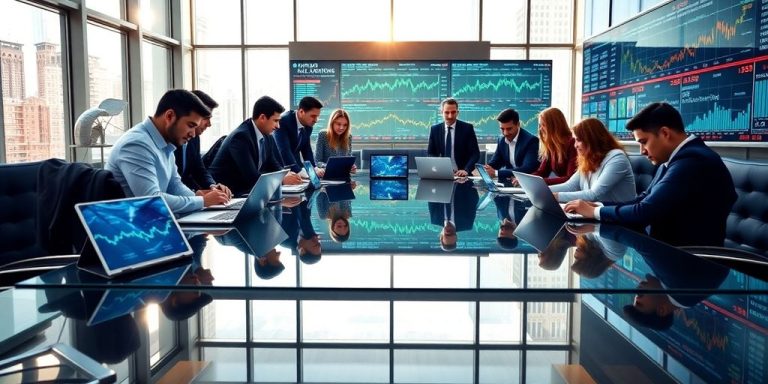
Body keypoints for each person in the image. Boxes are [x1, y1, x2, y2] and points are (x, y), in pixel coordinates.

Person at [564, 102, 737, 247]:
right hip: (668, 252)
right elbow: (643, 199)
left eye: (644, 142)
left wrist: (595, 212)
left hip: (691, 262)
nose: (642, 151)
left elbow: (644, 211)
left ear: (665, 133)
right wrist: (597, 206)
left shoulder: (692, 162)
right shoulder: (674, 159)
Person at [106, 89, 229, 215]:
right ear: (169, 116)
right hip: (133, 223)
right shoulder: (136, 144)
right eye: (191, 126)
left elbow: (175, 185)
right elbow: (153, 201)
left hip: (153, 219)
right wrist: (202, 201)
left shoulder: (165, 143)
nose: (193, 134)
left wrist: (202, 199)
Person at [208, 96, 303, 196]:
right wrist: (282, 180)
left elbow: (273, 164)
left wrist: (284, 174)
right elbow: (252, 177)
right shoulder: (241, 137)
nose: (278, 126)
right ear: (262, 118)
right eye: (275, 121)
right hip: (228, 195)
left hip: (248, 192)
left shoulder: (267, 136)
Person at [550, 118, 636, 203]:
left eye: (578, 140)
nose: (575, 145)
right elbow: (570, 186)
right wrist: (545, 191)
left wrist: (555, 196)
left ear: (592, 139)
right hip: (596, 209)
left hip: (617, 211)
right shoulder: (589, 159)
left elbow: (594, 195)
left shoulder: (617, 158)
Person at [173, 90, 232, 198]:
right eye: (206, 118)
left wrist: (212, 186)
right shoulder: (171, 139)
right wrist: (199, 197)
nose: (209, 124)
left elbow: (199, 169)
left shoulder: (194, 138)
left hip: (186, 198)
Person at [517, 107, 577, 186]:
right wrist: (526, 179)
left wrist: (539, 182)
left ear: (554, 126)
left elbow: (570, 179)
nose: (540, 129)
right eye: (540, 125)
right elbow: (542, 172)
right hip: (563, 188)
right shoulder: (551, 145)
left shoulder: (572, 144)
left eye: (543, 125)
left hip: (571, 189)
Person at [479, 108, 540, 181]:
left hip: (526, 182)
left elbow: (527, 168)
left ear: (518, 124)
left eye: (509, 129)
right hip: (509, 182)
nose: (505, 133)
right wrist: (486, 169)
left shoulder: (531, 141)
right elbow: (496, 162)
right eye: (502, 129)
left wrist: (496, 173)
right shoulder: (501, 140)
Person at [427, 98, 480, 177]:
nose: (450, 116)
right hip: (442, 173)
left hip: (462, 174)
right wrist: (439, 167)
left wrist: (466, 170)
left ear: (457, 112)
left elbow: (475, 153)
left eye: (453, 112)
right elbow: (431, 153)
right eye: (447, 112)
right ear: (441, 112)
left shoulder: (467, 128)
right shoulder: (435, 129)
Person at [273, 96, 323, 175]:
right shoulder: (283, 122)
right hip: (280, 168)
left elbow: (306, 149)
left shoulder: (308, 126)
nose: (316, 120)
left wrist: (314, 168)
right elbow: (284, 150)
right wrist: (299, 171)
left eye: (317, 116)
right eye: (313, 116)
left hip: (297, 166)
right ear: (301, 112)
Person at [428, 181, 479, 251]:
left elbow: (431, 197)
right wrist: (466, 182)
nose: (449, 232)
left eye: (447, 235)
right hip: (463, 180)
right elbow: (473, 199)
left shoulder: (435, 218)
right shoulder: (467, 223)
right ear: (456, 237)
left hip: (442, 180)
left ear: (441, 236)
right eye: (452, 234)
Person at [315, 108, 357, 173]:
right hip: (327, 174)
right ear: (332, 123)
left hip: (343, 175)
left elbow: (348, 159)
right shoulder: (323, 135)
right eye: (338, 124)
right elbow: (317, 162)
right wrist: (333, 166)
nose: (341, 128)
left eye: (345, 125)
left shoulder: (348, 137)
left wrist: (351, 167)